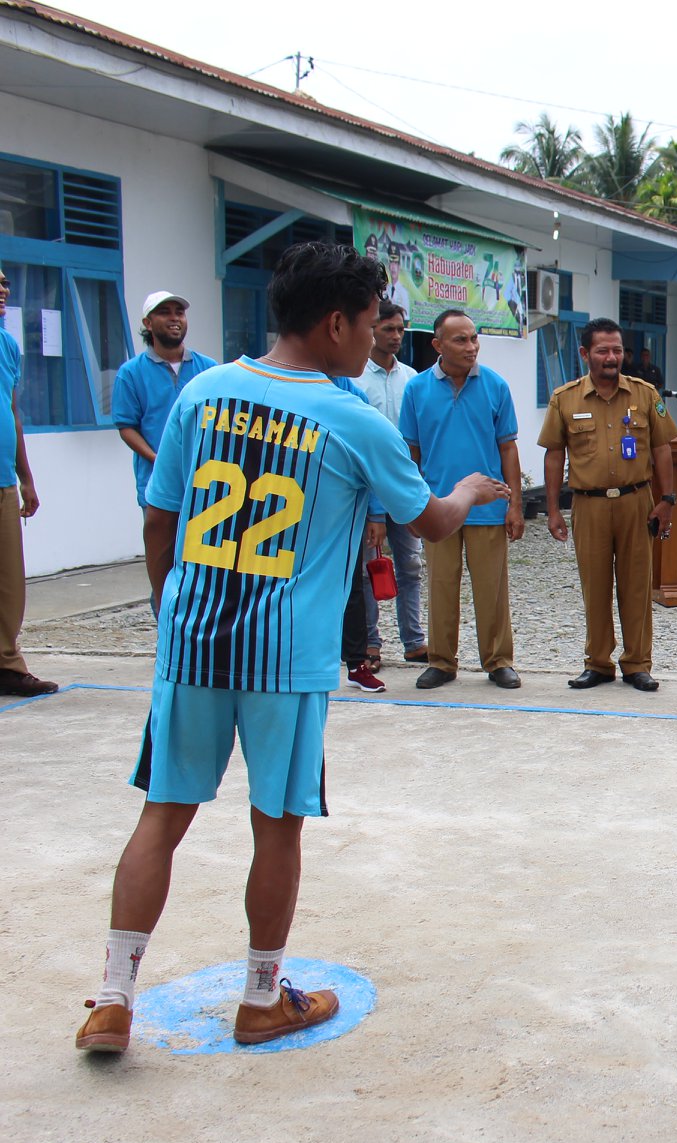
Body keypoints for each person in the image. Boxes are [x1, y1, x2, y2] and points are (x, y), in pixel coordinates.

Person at [72, 242, 509, 1054]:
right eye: (376, 322)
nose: (383, 338)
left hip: (194, 641)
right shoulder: (350, 418)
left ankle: (111, 999)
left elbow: (159, 518)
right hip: (284, 659)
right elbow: (430, 521)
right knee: (277, 826)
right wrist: (469, 490)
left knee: (161, 815)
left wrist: (174, 607)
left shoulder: (203, 394)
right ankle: (262, 997)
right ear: (337, 322)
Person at [539, 318, 677, 692]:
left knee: (636, 586)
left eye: (617, 349)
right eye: (602, 350)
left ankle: (637, 663)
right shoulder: (564, 398)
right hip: (589, 505)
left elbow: (664, 448)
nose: (611, 357)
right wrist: (553, 509)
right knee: (595, 586)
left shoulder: (645, 394)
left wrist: (667, 500)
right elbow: (554, 456)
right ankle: (598, 663)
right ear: (586, 353)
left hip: (637, 502)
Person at [399, 309, 524, 689]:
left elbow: (508, 449)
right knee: (439, 585)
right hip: (438, 508)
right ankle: (441, 661)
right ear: (437, 345)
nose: (471, 347)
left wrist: (515, 503)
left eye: (474, 338)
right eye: (461, 340)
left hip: (487, 507)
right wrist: (411, 505)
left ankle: (498, 660)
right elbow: (411, 453)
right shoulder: (417, 390)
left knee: (492, 588)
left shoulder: (495, 386)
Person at [355, 299, 428, 668]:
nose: (396, 336)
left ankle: (414, 641)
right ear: (372, 331)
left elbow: (417, 440)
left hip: (405, 487)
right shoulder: (354, 380)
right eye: (388, 329)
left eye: (401, 329)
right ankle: (370, 642)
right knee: (371, 568)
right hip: (368, 491)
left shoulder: (412, 379)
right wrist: (374, 511)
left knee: (410, 566)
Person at [0, 267, 56, 696]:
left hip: (3, 479)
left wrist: (26, 478)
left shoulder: (8, 346)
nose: (3, 289)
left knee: (8, 579)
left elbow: (13, 412)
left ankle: (6, 663)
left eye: (4, 283)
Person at [111, 291, 217, 510]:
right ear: (148, 323)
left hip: (204, 484)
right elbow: (126, 427)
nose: (175, 318)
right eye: (164, 313)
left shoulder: (209, 369)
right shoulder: (131, 373)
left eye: (179, 313)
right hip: (156, 486)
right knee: (161, 545)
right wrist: (159, 459)